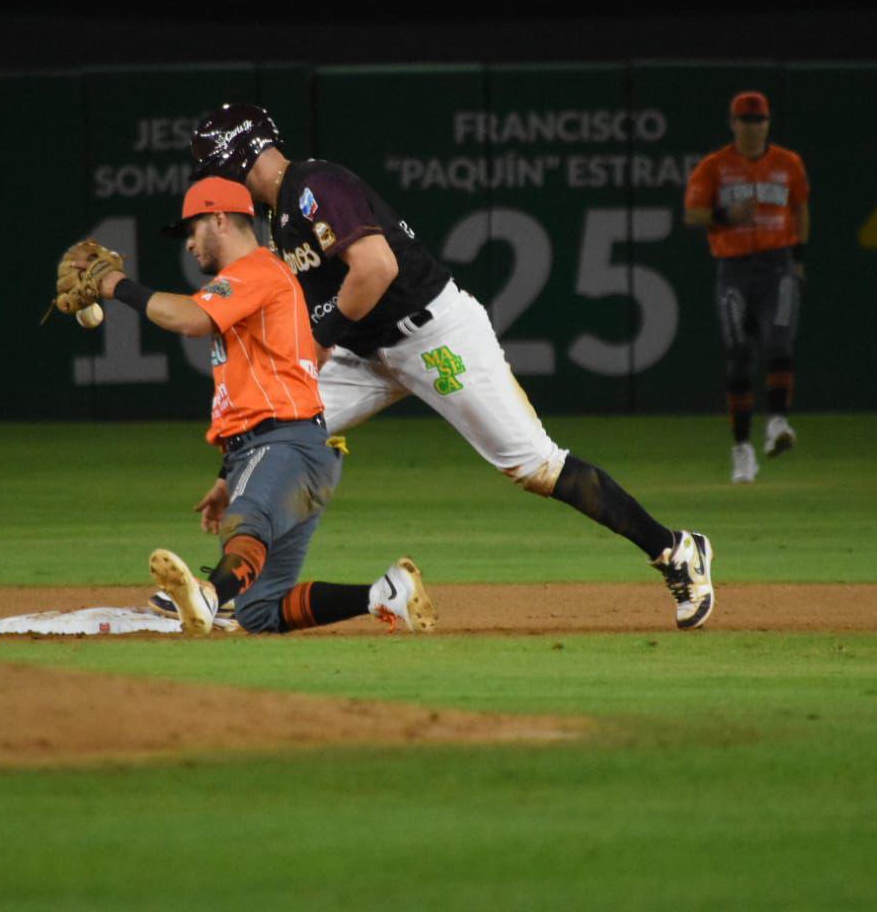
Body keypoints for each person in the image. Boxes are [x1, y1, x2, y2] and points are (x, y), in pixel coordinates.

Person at [179, 104, 715, 630]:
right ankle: (229, 590)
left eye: (212, 170)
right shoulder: (281, 216)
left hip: (433, 335)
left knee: (536, 466)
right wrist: (233, 473)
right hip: (364, 353)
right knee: (275, 420)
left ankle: (675, 549)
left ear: (231, 160)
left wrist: (321, 339)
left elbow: (377, 267)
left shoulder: (314, 184)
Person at [77, 176, 437, 636]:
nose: (189, 244)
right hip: (290, 448)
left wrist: (115, 285)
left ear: (220, 219)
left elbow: (189, 318)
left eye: (193, 229)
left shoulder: (256, 271)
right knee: (261, 612)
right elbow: (256, 390)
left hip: (285, 442)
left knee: (249, 522)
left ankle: (208, 596)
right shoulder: (254, 281)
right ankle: (385, 594)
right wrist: (229, 476)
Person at [683, 91, 810, 484]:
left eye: (760, 120)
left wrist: (799, 258)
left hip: (777, 265)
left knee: (778, 343)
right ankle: (742, 448)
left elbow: (801, 208)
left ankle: (776, 423)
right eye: (747, 120)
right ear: (734, 123)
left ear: (768, 123)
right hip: (734, 269)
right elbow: (692, 214)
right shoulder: (715, 166)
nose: (754, 127)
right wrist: (724, 214)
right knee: (738, 354)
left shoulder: (788, 163)